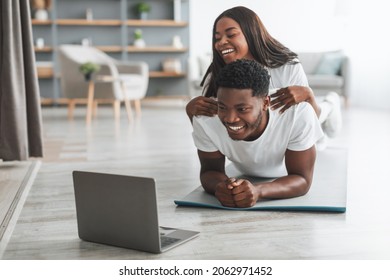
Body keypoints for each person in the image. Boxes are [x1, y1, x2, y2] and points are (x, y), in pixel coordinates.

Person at [186, 6, 342, 148]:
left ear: (250, 32)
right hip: (264, 138)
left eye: (231, 35)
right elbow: (211, 130)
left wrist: (308, 96)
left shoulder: (286, 67)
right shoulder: (216, 75)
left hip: (303, 127)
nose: (221, 43)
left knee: (322, 123)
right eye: (217, 38)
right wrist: (191, 111)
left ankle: (330, 104)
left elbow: (307, 119)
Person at [192, 59, 323, 208]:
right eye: (222, 107)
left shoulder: (298, 113)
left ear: (265, 103)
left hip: (307, 124)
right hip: (251, 167)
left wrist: (258, 191)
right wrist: (222, 188)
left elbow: (302, 179)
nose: (230, 118)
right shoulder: (205, 119)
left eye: (242, 109)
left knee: (322, 116)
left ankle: (331, 104)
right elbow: (210, 171)